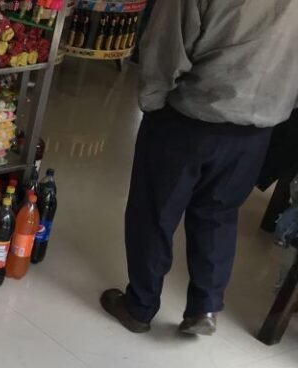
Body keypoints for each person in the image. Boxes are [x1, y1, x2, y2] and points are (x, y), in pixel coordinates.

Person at [101, 0, 298, 336]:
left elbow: (165, 46)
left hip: (191, 116)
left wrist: (152, 103)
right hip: (257, 127)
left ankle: (140, 306)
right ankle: (204, 307)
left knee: (155, 210)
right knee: (219, 212)